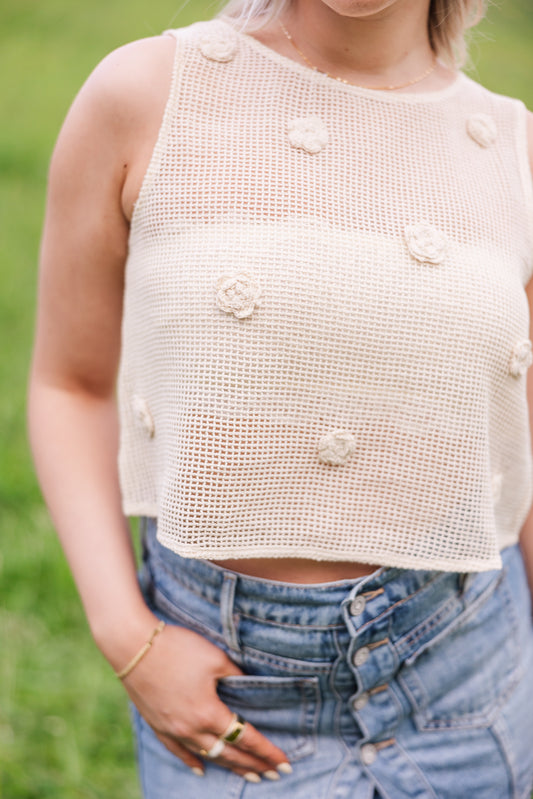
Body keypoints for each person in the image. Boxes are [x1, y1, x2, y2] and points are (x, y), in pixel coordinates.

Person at [28, 0, 533, 796]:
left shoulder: (513, 146)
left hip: (472, 679)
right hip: (233, 693)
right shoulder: (146, 93)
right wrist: (129, 637)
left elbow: (523, 432)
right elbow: (70, 383)